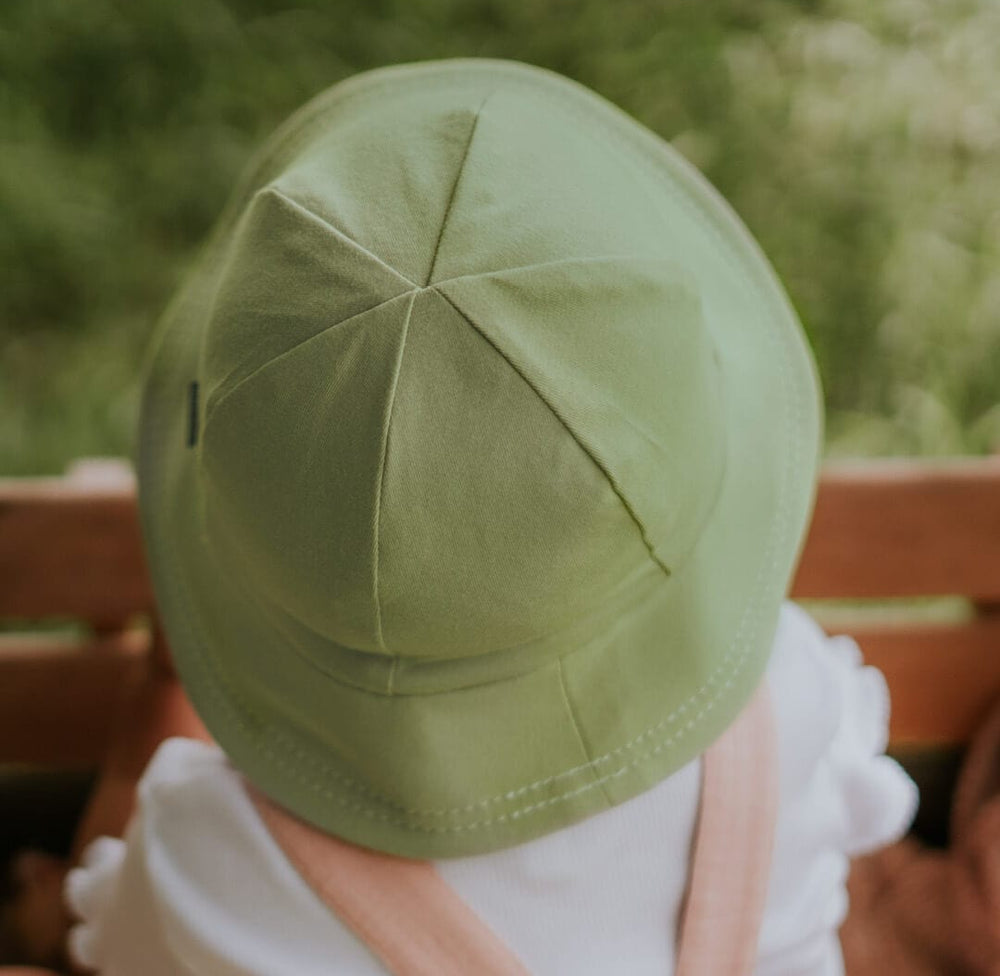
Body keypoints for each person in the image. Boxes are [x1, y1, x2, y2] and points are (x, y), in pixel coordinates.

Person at [61, 58, 917, 975]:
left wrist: (158, 695)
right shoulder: (793, 707)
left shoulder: (213, 857)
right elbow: (870, 821)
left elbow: (98, 942)